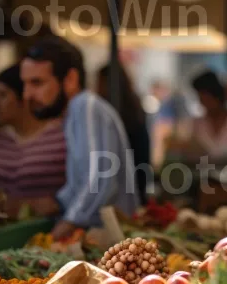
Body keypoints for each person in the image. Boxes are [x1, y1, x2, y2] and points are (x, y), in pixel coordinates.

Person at [20, 36, 140, 239]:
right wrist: (56, 202)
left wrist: (63, 227)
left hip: (113, 243)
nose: (27, 95)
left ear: (70, 80)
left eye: (37, 83)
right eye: (25, 84)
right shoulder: (74, 114)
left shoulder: (86, 107)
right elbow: (81, 184)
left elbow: (98, 181)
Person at [0, 64, 66, 218]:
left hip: (46, 233)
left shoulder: (60, 135)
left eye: (3, 95)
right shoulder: (0, 137)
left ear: (24, 97)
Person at [97, 63, 150, 205]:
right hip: (135, 185)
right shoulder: (135, 108)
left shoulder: (110, 114)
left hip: (121, 191)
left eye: (99, 82)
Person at [175, 70, 227, 163]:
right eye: (201, 99)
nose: (204, 103)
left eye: (208, 99)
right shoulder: (196, 124)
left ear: (218, 97)